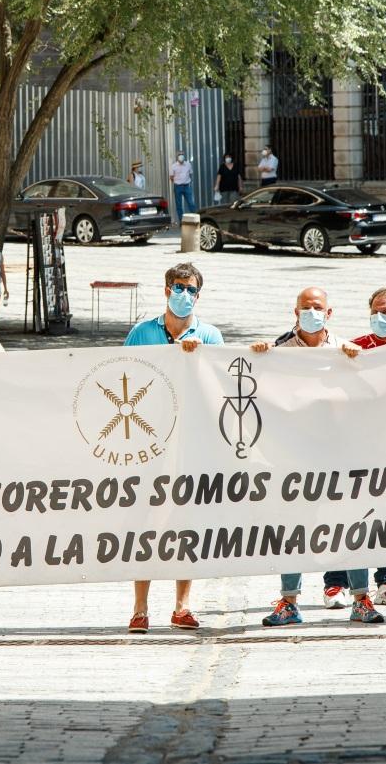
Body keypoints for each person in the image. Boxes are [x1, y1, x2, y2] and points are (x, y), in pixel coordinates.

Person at [249, 288, 383, 627]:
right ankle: (289, 602)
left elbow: (368, 394)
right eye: (306, 307)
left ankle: (361, 599)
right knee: (292, 530)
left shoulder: (342, 350)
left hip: (337, 457)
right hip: (294, 459)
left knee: (350, 527)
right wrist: (259, 358)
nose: (312, 312)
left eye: (318, 307)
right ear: (294, 312)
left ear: (330, 312)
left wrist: (356, 361)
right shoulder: (279, 351)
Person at [123, 263, 223, 633]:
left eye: (192, 290)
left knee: (186, 525)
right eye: (179, 287)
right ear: (166, 289)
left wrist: (197, 360)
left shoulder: (210, 335)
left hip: (191, 443)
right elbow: (121, 374)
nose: (185, 295)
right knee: (144, 524)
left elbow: (222, 386)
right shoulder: (142, 332)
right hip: (148, 444)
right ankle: (139, 609)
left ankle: (182, 606)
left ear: (199, 295)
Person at [333, 288, 386, 609]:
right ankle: (335, 582)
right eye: (375, 311)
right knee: (347, 514)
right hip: (356, 448)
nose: (380, 318)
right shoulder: (358, 347)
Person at [169, 153, 196, 220]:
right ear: (177, 157)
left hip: (186, 186)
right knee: (179, 205)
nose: (181, 156)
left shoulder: (188, 164)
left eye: (182, 154)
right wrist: (177, 182)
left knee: (191, 203)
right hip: (178, 186)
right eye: (179, 155)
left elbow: (190, 174)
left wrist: (186, 180)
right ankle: (181, 220)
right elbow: (171, 177)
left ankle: (196, 218)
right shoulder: (173, 166)